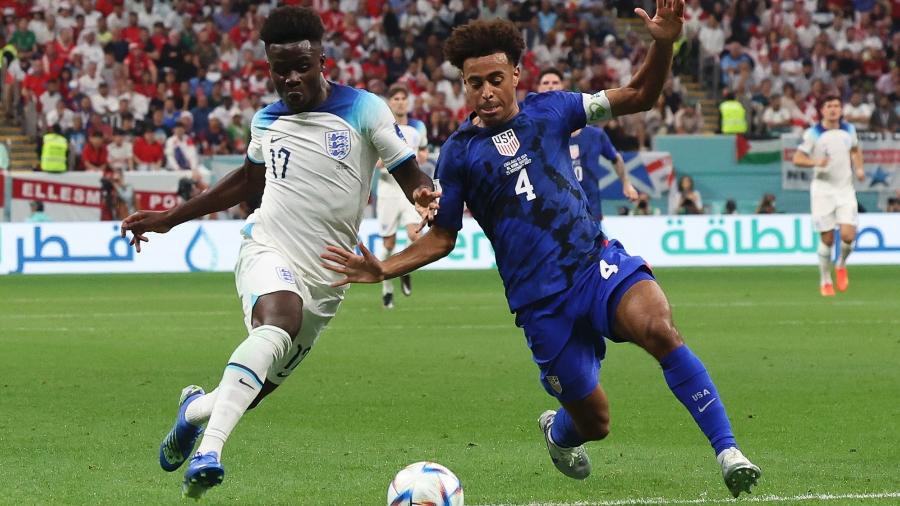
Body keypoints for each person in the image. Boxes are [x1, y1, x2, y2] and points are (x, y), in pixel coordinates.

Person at [321, 6, 760, 499]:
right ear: (463, 86)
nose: (485, 91)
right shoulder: (460, 153)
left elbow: (640, 95)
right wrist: (384, 267)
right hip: (539, 303)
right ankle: (558, 434)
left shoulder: (554, 109)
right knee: (595, 421)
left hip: (594, 265)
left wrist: (663, 43)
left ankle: (729, 452)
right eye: (473, 83)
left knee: (660, 329)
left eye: (495, 79)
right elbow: (444, 237)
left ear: (515, 74)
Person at [119, 6, 438, 499]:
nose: (290, 78)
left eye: (301, 67)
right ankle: (210, 452)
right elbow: (246, 184)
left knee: (252, 389)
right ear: (268, 67)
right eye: (279, 69)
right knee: (278, 322)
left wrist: (422, 194)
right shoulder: (266, 120)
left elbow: (410, 174)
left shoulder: (365, 109)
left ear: (322, 61)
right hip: (268, 246)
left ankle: (193, 412)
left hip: (330, 275)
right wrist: (169, 218)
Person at [536, 68, 638, 221]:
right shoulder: (538, 134)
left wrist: (626, 183)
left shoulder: (595, 135)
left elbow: (615, 158)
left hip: (591, 214)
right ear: (538, 88)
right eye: (546, 83)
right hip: (558, 215)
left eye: (555, 82)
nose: (550, 86)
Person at [792, 95, 865, 297]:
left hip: (845, 189)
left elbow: (855, 150)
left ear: (841, 109)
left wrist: (859, 168)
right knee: (827, 238)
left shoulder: (849, 130)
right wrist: (815, 162)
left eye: (836, 106)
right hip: (823, 190)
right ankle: (825, 280)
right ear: (822, 110)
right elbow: (797, 158)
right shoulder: (813, 134)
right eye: (829, 106)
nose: (833, 109)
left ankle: (840, 264)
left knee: (848, 236)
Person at [376, 83, 430, 308]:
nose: (400, 102)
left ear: (408, 102)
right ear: (390, 102)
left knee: (414, 235)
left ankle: (404, 269)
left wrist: (421, 157)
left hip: (408, 187)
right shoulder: (381, 126)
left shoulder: (418, 127)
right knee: (388, 243)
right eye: (395, 98)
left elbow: (424, 151)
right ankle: (387, 286)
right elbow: (375, 160)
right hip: (388, 188)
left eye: (403, 98)